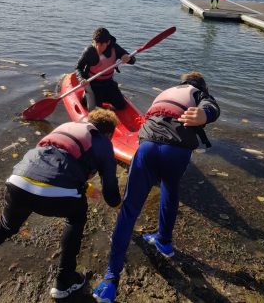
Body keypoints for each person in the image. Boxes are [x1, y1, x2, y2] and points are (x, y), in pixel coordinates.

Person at [0, 109, 121, 300]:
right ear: (108, 133)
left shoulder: (65, 128)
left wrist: (85, 186)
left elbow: (53, 162)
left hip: (18, 181)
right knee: (76, 217)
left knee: (3, 227)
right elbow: (111, 195)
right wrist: (120, 204)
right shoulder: (103, 142)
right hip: (57, 194)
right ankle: (64, 281)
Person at [93, 71, 220, 303]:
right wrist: (205, 114)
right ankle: (164, 242)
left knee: (130, 208)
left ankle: (110, 281)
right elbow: (212, 106)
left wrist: (202, 113)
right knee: (170, 193)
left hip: (148, 146)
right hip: (177, 151)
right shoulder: (198, 93)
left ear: (182, 82)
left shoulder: (167, 92)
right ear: (201, 85)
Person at [75, 27, 136, 111]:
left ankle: (107, 99)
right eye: (96, 43)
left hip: (108, 82)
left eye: (102, 45)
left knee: (121, 105)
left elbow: (133, 60)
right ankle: (86, 96)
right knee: (96, 109)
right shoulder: (89, 51)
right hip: (93, 84)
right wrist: (81, 78)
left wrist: (128, 58)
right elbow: (78, 68)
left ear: (108, 42)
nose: (98, 47)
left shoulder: (115, 48)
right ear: (93, 41)